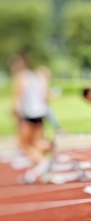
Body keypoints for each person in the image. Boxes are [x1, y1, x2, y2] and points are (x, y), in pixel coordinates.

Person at [9, 54, 53, 183]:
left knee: (24, 145)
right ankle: (33, 173)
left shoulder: (20, 77)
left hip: (28, 114)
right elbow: (45, 96)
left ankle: (44, 163)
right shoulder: (36, 76)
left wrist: (16, 112)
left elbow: (19, 97)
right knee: (36, 143)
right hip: (40, 112)